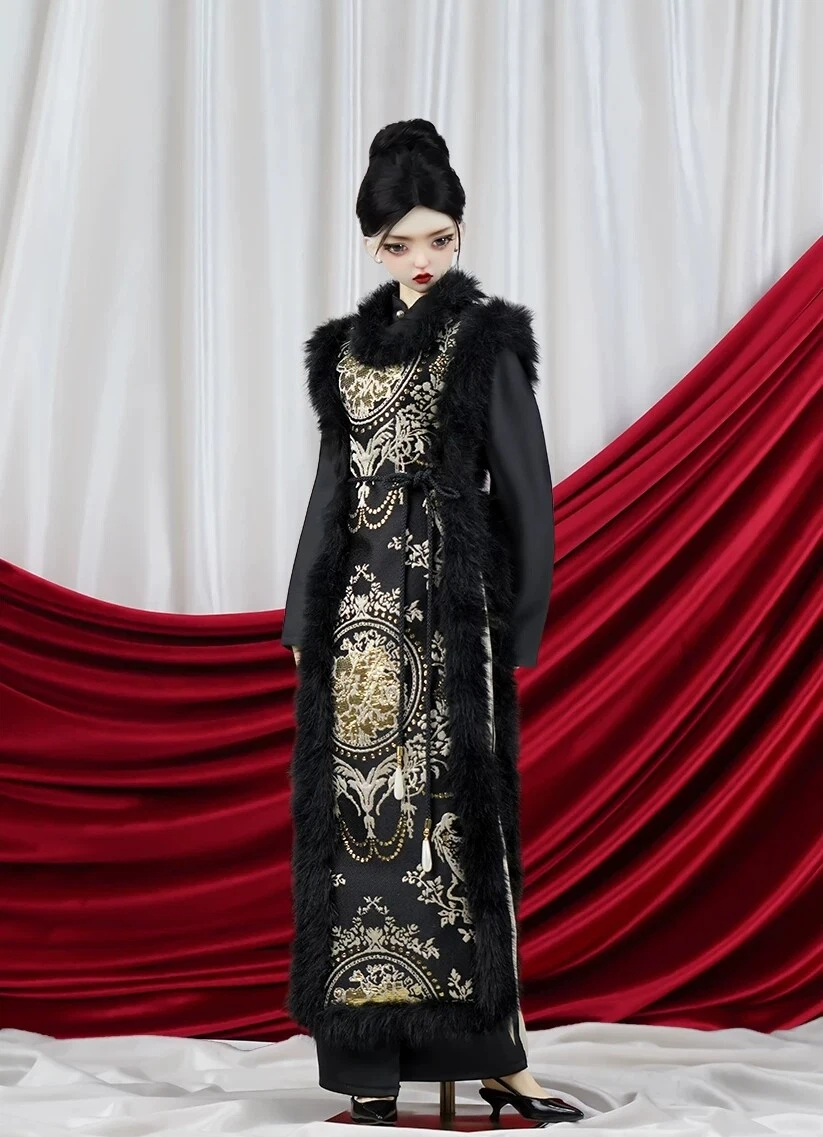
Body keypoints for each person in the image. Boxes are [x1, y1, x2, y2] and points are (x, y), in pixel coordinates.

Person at [280, 119, 584, 1126]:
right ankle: (366, 1065)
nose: (420, 260)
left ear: (460, 233)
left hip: (451, 618)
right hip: (358, 625)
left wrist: (519, 625)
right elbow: (333, 487)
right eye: (398, 243)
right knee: (361, 837)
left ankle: (495, 1060)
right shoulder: (345, 356)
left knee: (454, 835)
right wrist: (303, 613)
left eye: (438, 239)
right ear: (372, 246)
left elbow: (528, 493)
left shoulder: (484, 341)